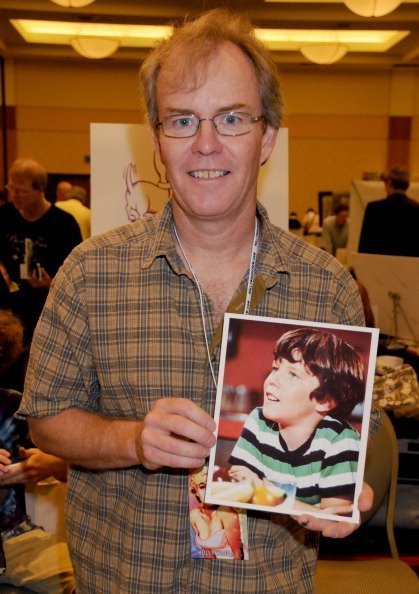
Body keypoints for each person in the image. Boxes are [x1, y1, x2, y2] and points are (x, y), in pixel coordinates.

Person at [18, 9, 376, 594]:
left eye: (231, 118)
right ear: (157, 142)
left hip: (271, 583)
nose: (205, 144)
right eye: (182, 121)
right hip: (125, 580)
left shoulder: (327, 285)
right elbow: (45, 420)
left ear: (268, 139)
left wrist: (358, 491)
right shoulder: (90, 274)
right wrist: (131, 440)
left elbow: (366, 440)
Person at [228, 328, 364, 513]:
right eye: (275, 368)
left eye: (292, 374)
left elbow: (332, 518)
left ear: (325, 400)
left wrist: (264, 490)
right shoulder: (258, 421)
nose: (273, 379)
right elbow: (242, 482)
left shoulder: (341, 440)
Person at [0, 309, 74, 593]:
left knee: (87, 579)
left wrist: (50, 465)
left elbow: (72, 467)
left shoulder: (13, 407)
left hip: (18, 539)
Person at [0, 159, 82, 342]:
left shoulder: (63, 224)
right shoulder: (4, 217)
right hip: (8, 315)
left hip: (45, 314)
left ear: (40, 190)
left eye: (21, 191)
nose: (14, 195)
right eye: (10, 189)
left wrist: (49, 283)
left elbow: (77, 277)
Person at [358, 165, 419, 257]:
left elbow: (364, 244)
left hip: (378, 265)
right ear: (407, 185)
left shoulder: (373, 208)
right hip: (408, 267)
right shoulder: (416, 208)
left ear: (389, 183)